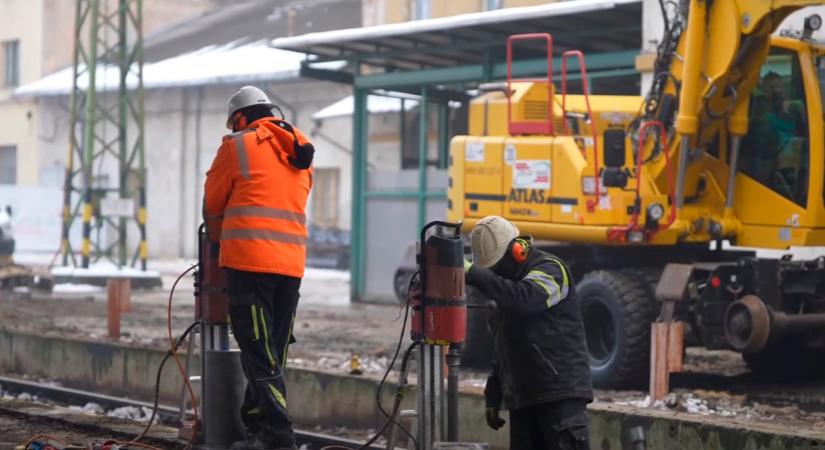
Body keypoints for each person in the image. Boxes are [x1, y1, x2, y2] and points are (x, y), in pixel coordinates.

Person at [203, 86, 314, 450]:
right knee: (273, 352)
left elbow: (213, 203)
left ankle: (281, 439)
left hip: (249, 265)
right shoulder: (298, 150)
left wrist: (220, 245)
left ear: (240, 118)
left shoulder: (236, 147)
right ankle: (255, 425)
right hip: (290, 267)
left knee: (259, 354)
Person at [463, 215, 593, 450]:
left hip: (559, 396)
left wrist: (474, 274)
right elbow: (503, 347)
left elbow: (525, 300)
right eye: (490, 270)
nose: (496, 274)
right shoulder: (507, 287)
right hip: (524, 399)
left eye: (497, 267)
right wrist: (494, 393)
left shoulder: (551, 269)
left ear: (517, 250)